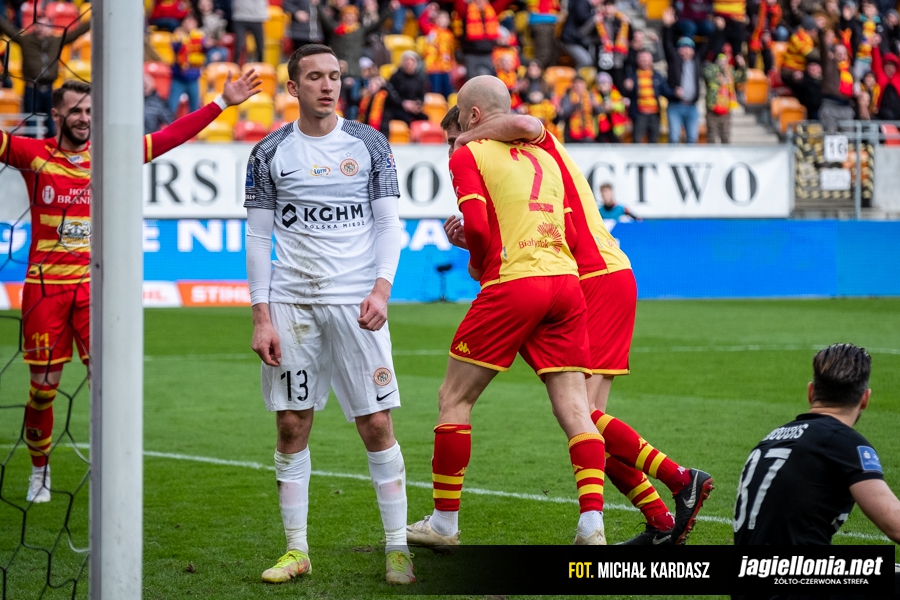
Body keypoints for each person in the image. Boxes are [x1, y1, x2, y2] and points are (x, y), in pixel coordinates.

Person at [442, 103, 715, 546]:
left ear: (476, 122)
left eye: (456, 138)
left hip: (592, 275)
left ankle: (680, 480)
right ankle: (661, 517)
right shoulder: (513, 161)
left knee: (581, 416)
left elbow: (525, 121)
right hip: (580, 277)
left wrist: (466, 142)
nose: (455, 149)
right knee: (581, 418)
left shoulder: (526, 143)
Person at [3, 71, 261, 504]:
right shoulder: (34, 155)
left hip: (94, 290)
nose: (84, 118)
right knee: (43, 389)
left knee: (106, 385)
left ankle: (110, 471)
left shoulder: (109, 155)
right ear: (56, 115)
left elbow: (169, 137)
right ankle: (39, 472)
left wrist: (221, 102)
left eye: (90, 111)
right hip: (44, 290)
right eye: (75, 111)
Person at [406, 76, 609, 550]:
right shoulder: (545, 155)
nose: (458, 131)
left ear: (473, 115)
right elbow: (566, 227)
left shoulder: (468, 153)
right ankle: (592, 526)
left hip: (515, 282)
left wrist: (478, 264)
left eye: (461, 118)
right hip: (564, 284)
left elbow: (477, 226)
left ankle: (443, 524)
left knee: (454, 398)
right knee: (576, 409)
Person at [242, 44, 414, 585]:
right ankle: (296, 550)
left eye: (334, 76)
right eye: (315, 77)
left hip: (357, 304)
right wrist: (261, 316)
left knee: (376, 423)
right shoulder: (269, 152)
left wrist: (382, 291)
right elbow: (258, 238)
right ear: (294, 88)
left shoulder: (369, 143)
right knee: (291, 423)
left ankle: (397, 548)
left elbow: (389, 225)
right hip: (292, 303)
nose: (328, 85)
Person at [734, 343, 900, 548]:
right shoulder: (844, 442)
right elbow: (895, 525)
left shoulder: (770, 439)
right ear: (865, 398)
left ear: (811, 392)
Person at [0, 9, 91, 138]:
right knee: (32, 127)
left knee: (51, 126)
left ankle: (50, 149)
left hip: (49, 90)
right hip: (31, 90)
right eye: (38, 25)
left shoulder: (56, 40)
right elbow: (8, 29)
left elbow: (76, 33)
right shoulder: (26, 40)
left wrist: (93, 19)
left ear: (49, 26)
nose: (41, 28)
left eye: (44, 25)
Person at [662, 7, 709, 145]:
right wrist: (667, 26)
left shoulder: (697, 62)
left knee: (692, 139)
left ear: (693, 50)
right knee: (674, 138)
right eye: (682, 47)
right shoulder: (674, 60)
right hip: (675, 106)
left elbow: (709, 44)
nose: (686, 50)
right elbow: (667, 44)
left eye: (689, 48)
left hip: (692, 106)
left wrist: (715, 27)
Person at [624, 49, 670, 143]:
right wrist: (627, 88)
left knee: (654, 140)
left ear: (651, 60)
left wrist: (676, 92)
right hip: (639, 113)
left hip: (655, 113)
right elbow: (626, 94)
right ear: (637, 60)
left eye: (646, 59)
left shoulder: (657, 76)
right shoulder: (632, 76)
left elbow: (666, 91)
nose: (644, 61)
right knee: (637, 139)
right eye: (642, 59)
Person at [703, 52, 746, 144]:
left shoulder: (729, 71)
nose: (722, 63)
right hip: (713, 108)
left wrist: (742, 66)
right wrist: (719, 69)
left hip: (726, 108)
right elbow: (707, 75)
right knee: (711, 137)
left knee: (725, 137)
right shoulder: (711, 69)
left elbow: (741, 79)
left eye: (724, 61)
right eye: (720, 60)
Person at [169, 13, 208, 114]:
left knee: (194, 109)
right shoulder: (177, 34)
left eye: (192, 21)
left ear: (196, 23)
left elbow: (206, 50)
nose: (189, 23)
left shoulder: (200, 36)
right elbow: (175, 48)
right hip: (179, 76)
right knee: (171, 107)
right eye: (187, 21)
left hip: (194, 76)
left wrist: (207, 45)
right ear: (183, 23)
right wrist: (181, 42)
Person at [419, 3, 456, 98]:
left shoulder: (449, 34)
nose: (442, 20)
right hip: (433, 67)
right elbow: (422, 21)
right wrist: (429, 10)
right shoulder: (431, 30)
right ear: (435, 20)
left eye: (445, 18)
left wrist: (452, 63)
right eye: (440, 18)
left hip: (446, 67)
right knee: (435, 91)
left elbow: (451, 51)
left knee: (447, 91)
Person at [387, 51, 429, 125]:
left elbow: (421, 95)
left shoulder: (420, 78)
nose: (409, 64)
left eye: (411, 62)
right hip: (398, 107)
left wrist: (418, 103)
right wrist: (403, 103)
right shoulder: (396, 77)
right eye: (407, 61)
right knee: (406, 119)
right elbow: (391, 95)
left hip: (412, 108)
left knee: (424, 118)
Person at [558, 76, 602, 143]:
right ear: (572, 85)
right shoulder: (567, 97)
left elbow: (599, 111)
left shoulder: (591, 96)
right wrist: (575, 105)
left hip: (588, 135)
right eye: (575, 83)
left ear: (585, 85)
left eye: (580, 83)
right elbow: (564, 114)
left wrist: (595, 106)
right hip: (570, 135)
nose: (578, 86)